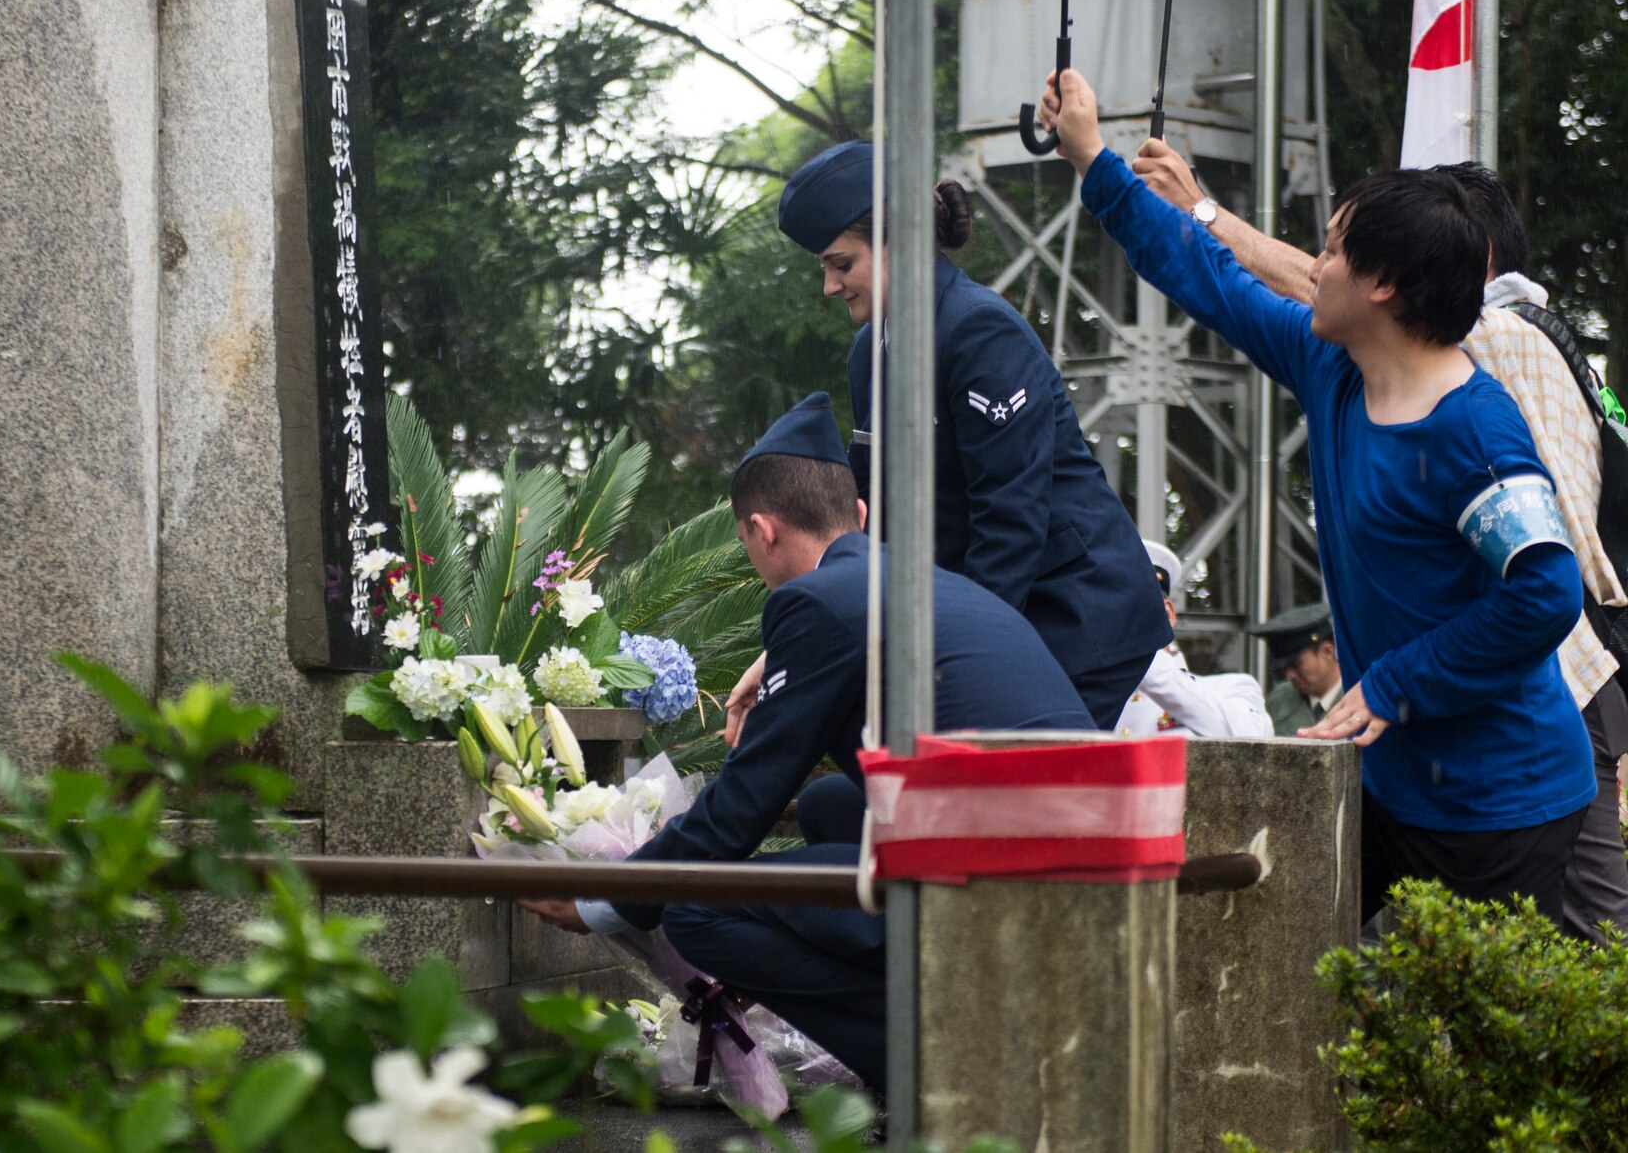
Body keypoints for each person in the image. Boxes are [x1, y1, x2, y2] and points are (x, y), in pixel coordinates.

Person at [1038, 68, 1594, 929]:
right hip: (1389, 783)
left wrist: (1392, 684)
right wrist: (1092, 159)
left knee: (1444, 1041)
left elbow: (1546, 592)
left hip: (1501, 804)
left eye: (1331, 249)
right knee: (1292, 975)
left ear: (1384, 286)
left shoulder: (1477, 433)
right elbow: (1207, 274)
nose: (1313, 266)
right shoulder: (1330, 364)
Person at [519, 392, 1095, 1091]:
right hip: (1074, 861)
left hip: (990, 881)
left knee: (698, 909)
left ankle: (933, 1066)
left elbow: (741, 810)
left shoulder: (816, 604)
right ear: (857, 517)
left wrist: (599, 900)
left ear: (762, 531)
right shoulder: (919, 582)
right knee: (827, 805)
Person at [759, 139, 1170, 730]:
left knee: (1003, 799)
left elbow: (1010, 519)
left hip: (1074, 614)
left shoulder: (978, 329)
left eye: (840, 263)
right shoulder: (869, 351)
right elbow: (876, 517)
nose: (829, 286)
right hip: (993, 609)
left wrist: (958, 659)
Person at [1116, 540, 1273, 738]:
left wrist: (1141, 655)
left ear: (1168, 614)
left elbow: (1251, 740)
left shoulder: (1232, 689)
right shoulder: (1094, 694)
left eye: (1131, 608)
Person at [1248, 603, 1343, 737]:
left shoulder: (1360, 697)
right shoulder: (1279, 701)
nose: (1289, 675)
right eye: (1283, 667)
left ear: (1327, 652)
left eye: (1296, 664)